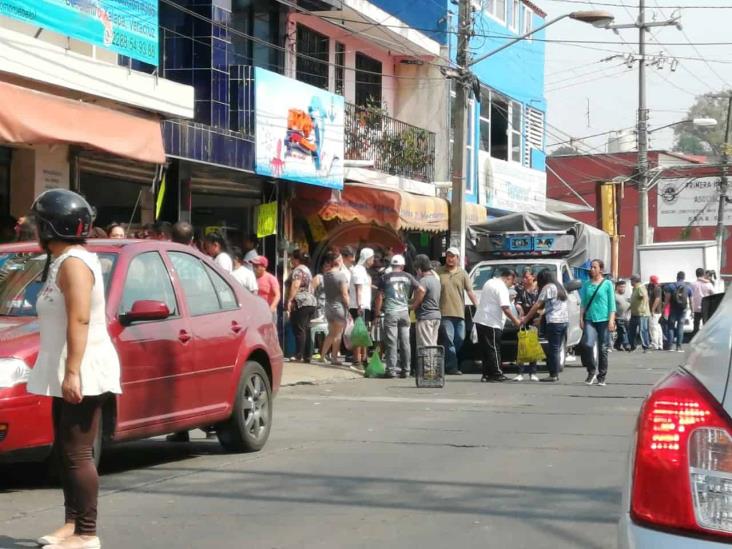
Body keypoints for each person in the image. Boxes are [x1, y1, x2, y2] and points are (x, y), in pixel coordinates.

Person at [26, 189, 121, 549]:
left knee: (78, 451)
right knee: (65, 449)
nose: (35, 229)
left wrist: (73, 371)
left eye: (39, 223)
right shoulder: (62, 259)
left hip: (84, 367)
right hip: (67, 364)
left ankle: (87, 532)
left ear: (51, 227)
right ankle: (72, 522)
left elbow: (80, 318)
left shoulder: (75, 263)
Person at [374, 254, 425, 378]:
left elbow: (379, 296)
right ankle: (406, 370)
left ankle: (391, 370)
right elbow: (422, 290)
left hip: (391, 312)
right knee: (405, 342)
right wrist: (414, 304)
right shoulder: (408, 276)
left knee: (391, 342)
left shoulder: (385, 277)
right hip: (404, 313)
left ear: (392, 265)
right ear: (402, 266)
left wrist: (377, 312)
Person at [473, 269, 521, 383]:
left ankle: (486, 374)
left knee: (486, 349)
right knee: (494, 348)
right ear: (508, 278)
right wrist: (515, 321)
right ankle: (497, 373)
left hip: (481, 320)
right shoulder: (501, 287)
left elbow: (493, 301)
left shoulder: (489, 282)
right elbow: (505, 307)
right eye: (512, 282)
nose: (512, 285)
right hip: (492, 322)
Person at [521, 269, 569, 382]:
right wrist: (541, 318)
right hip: (564, 322)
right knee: (557, 348)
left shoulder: (548, 288)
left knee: (554, 349)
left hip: (554, 322)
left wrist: (526, 318)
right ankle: (554, 374)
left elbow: (537, 305)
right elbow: (552, 306)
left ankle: (553, 374)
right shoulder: (559, 287)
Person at [437, 247, 479, 375]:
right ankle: (452, 367)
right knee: (449, 340)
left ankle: (445, 361)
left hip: (459, 313)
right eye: (448, 256)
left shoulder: (463, 273)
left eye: (453, 256)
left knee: (460, 338)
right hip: (444, 312)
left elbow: (470, 291)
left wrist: (477, 306)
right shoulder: (438, 272)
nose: (450, 259)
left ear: (458, 258)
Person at [580, 259, 616, 386]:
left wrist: (611, 320)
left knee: (603, 348)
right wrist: (581, 318)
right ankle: (591, 371)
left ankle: (602, 376)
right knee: (588, 344)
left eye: (594, 267)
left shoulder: (607, 284)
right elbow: (583, 303)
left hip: (604, 320)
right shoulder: (586, 284)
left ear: (601, 269)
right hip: (590, 319)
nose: (592, 269)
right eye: (591, 267)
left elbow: (612, 304)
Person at [285, 249, 317, 363]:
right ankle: (307, 355)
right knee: (306, 328)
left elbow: (296, 285)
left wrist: (289, 300)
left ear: (296, 259)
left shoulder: (298, 270)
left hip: (301, 301)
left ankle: (299, 355)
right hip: (311, 301)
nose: (291, 261)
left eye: (292, 259)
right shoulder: (307, 270)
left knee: (299, 329)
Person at [320, 251, 350, 366]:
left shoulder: (326, 275)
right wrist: (348, 306)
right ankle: (334, 358)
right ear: (338, 261)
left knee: (331, 333)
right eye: (341, 259)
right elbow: (344, 294)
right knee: (338, 334)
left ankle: (322, 356)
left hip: (328, 307)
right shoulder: (341, 276)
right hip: (338, 307)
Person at [349, 248, 374, 368]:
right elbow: (358, 289)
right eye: (372, 258)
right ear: (367, 258)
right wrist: (360, 305)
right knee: (359, 333)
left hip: (364, 305)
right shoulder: (358, 270)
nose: (373, 261)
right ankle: (357, 360)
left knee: (364, 333)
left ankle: (364, 358)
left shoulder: (363, 270)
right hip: (359, 306)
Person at [514, 268, 540, 381]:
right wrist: (520, 311)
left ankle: (532, 372)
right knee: (522, 344)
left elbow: (540, 306)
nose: (525, 279)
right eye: (523, 277)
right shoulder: (520, 289)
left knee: (532, 344)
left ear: (533, 277)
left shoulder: (538, 290)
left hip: (534, 319)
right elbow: (517, 303)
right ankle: (520, 372)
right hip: (523, 319)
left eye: (527, 277)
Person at [412, 254, 441, 349]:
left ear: (420, 269)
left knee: (425, 347)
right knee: (432, 345)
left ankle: (427, 364)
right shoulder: (436, 280)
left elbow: (420, 295)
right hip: (436, 316)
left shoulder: (424, 281)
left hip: (425, 317)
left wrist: (413, 306)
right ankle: (433, 364)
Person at [664, 271, 692, 353]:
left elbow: (667, 299)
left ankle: (670, 346)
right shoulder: (688, 287)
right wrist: (692, 311)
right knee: (680, 327)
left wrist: (664, 308)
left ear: (677, 277)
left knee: (671, 327)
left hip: (673, 309)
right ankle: (679, 347)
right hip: (683, 309)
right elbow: (691, 300)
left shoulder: (671, 286)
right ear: (684, 277)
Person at [251, 255, 280, 320]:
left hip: (268, 311)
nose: (254, 268)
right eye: (253, 266)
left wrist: (271, 309)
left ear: (264, 267)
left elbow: (277, 295)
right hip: (256, 312)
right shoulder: (251, 278)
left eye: (256, 266)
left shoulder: (271, 278)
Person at [628, 274, 651, 352]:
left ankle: (646, 347)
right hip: (634, 313)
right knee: (631, 330)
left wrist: (644, 307)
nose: (631, 281)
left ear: (635, 280)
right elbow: (634, 301)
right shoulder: (634, 289)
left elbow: (645, 297)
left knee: (643, 330)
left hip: (642, 314)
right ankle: (632, 346)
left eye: (631, 280)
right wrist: (628, 308)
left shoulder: (640, 287)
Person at [691, 267, 715, 336]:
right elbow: (714, 294)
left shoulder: (692, 284)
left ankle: (694, 338)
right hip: (706, 308)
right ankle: (706, 338)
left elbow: (690, 296)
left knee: (696, 325)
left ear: (696, 274)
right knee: (706, 324)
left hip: (696, 308)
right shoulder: (708, 284)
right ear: (704, 274)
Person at [613, 279, 631, 352]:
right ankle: (626, 345)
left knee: (622, 332)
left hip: (625, 317)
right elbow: (612, 306)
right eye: (621, 287)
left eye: (624, 287)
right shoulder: (614, 296)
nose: (623, 288)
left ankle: (617, 345)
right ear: (617, 287)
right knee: (623, 331)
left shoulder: (624, 296)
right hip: (618, 317)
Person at [647, 275, 664, 350]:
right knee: (657, 327)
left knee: (653, 327)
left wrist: (652, 309)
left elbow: (657, 299)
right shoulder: (656, 287)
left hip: (655, 311)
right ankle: (660, 344)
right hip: (658, 311)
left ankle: (655, 344)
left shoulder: (656, 288)